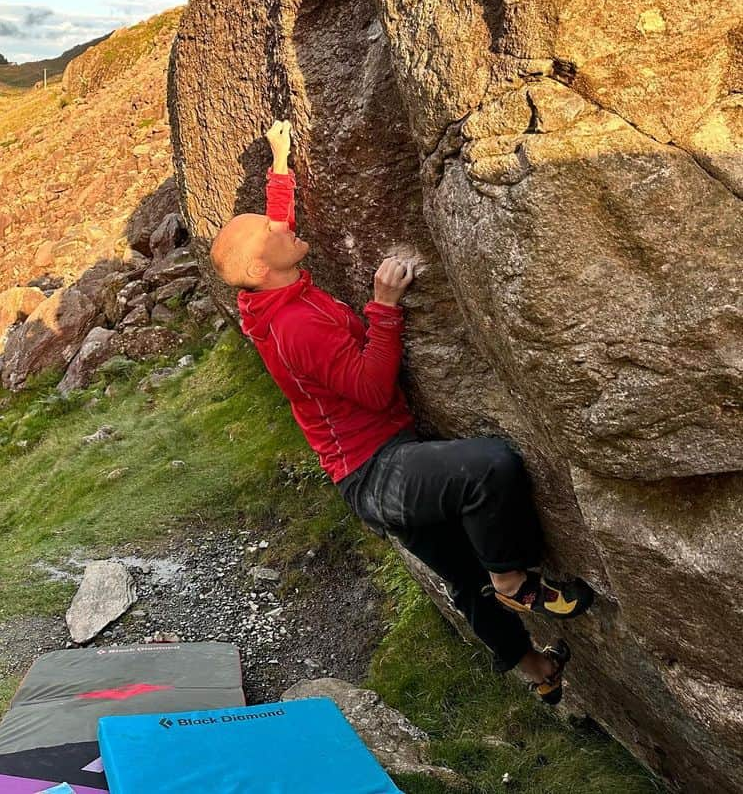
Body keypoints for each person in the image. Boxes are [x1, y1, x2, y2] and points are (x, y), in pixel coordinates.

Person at [209, 119, 594, 703]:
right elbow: (369, 388)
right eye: (270, 230)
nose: (279, 226)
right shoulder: (294, 326)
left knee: (467, 581)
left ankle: (539, 675)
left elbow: (271, 232)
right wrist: (384, 306)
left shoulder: (265, 286)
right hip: (376, 473)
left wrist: (281, 164)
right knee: (489, 469)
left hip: (373, 467)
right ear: (265, 268)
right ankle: (516, 582)